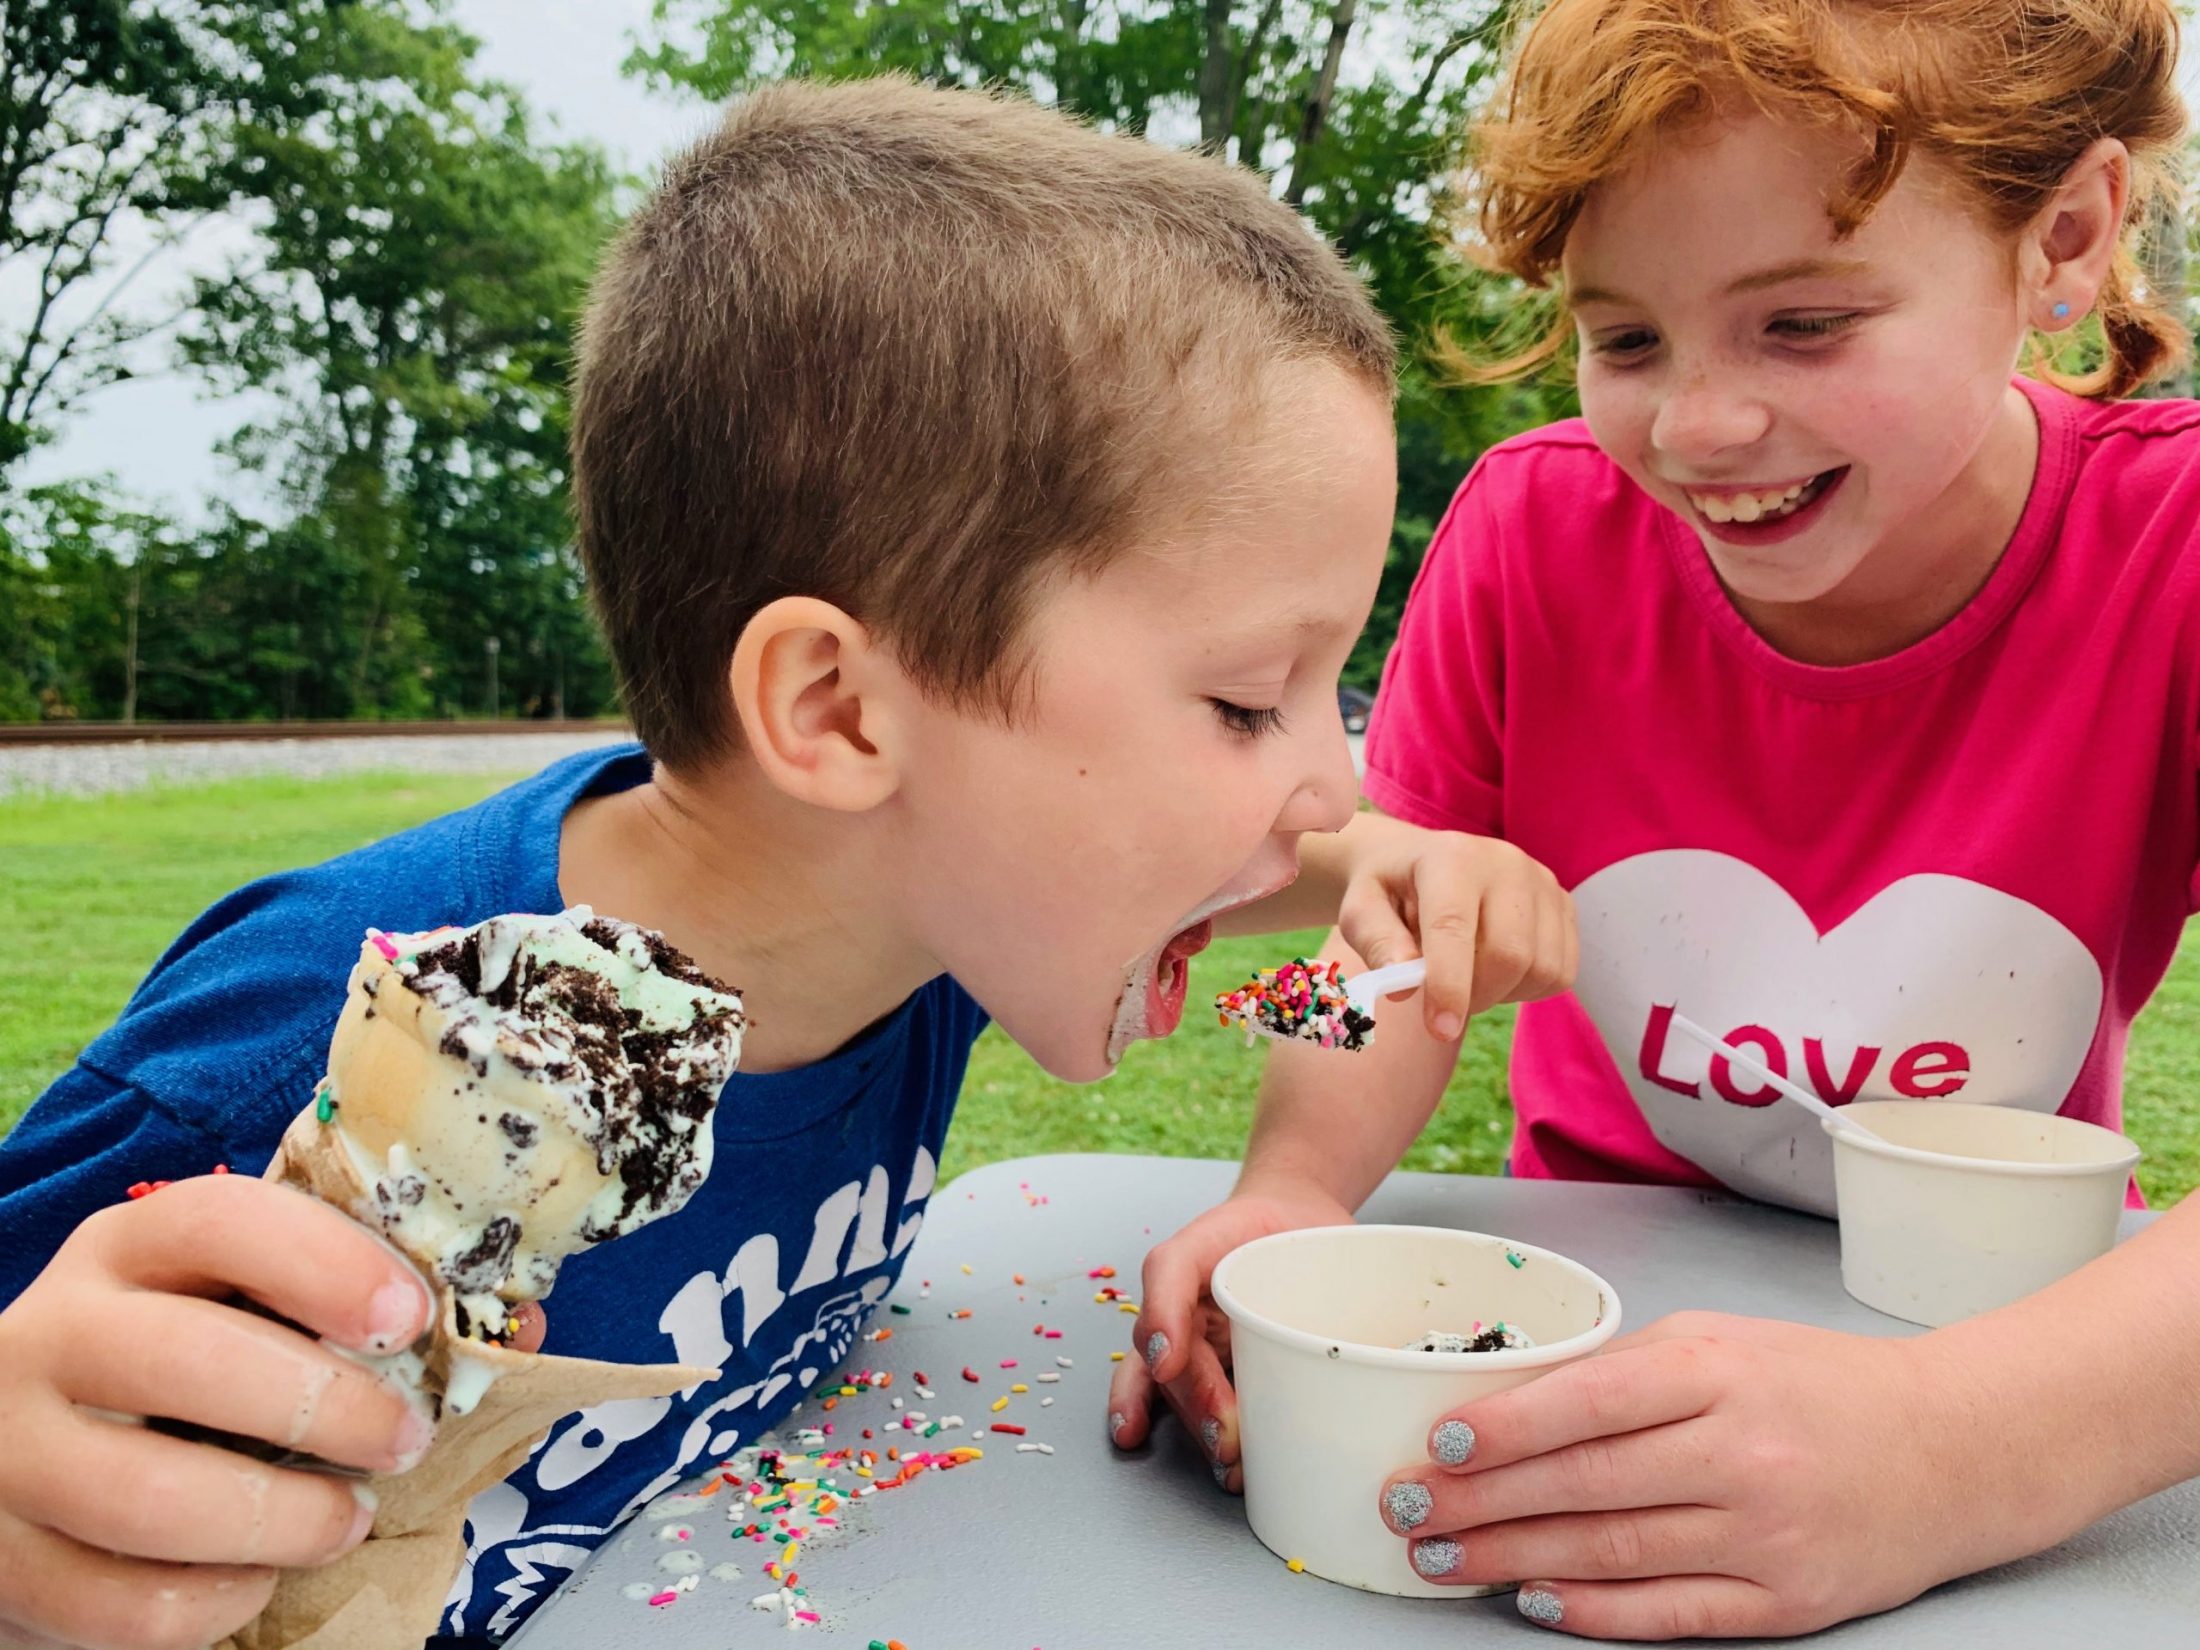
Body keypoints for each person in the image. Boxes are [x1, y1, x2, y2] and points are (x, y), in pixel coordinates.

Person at [0, 79, 1578, 1650]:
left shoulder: (941, 921)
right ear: (834, 712)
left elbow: (1302, 854)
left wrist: (1425, 861)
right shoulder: (288, 1047)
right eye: (1247, 699)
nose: (1332, 777)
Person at [1115, 0, 2200, 1637]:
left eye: (1807, 324)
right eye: (1625, 340)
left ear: (2061, 235)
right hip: (1589, 1317)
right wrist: (1291, 1186)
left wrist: (1948, 1449)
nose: (1697, 428)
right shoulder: (1530, 536)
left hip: (2018, 1349)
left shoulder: (2170, 550)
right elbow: (1381, 957)